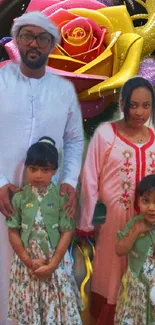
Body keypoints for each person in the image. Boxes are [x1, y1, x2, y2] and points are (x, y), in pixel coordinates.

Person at [0, 11, 83, 325]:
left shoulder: (63, 90)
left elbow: (74, 139)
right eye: (27, 35)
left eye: (42, 38)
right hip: (4, 197)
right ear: (17, 40)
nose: (33, 43)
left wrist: (71, 180)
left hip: (50, 201)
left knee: (51, 271)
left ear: (52, 45)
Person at [77, 76, 155, 325]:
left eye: (146, 105)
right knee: (111, 272)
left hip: (149, 222)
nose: (139, 112)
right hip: (113, 223)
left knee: (143, 272)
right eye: (133, 105)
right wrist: (89, 221)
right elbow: (90, 179)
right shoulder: (105, 134)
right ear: (122, 104)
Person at [6, 136, 84, 325]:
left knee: (56, 310)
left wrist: (53, 264)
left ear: (55, 171)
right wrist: (28, 261)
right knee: (32, 309)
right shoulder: (19, 198)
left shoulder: (61, 197)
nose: (38, 175)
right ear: (26, 168)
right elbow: (13, 231)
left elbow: (67, 231)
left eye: (45, 170)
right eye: (33, 169)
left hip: (55, 262)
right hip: (28, 263)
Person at [115, 174, 155, 325]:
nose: (151, 208)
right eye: (146, 201)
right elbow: (119, 250)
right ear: (138, 201)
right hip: (135, 289)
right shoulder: (135, 224)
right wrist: (135, 232)